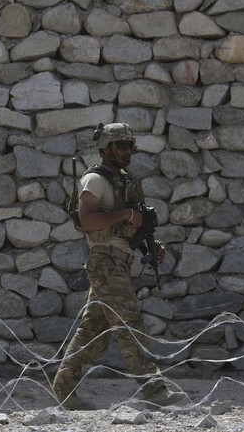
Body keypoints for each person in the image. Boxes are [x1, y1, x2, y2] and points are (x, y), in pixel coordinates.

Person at [52, 123, 189, 410]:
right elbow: (88, 220)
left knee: (93, 331)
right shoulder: (95, 180)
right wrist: (127, 213)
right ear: (105, 148)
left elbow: (131, 227)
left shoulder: (124, 180)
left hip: (119, 261)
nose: (128, 151)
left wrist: (150, 246)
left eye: (130, 145)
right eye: (121, 145)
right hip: (105, 261)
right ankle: (153, 389)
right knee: (129, 323)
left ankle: (63, 390)